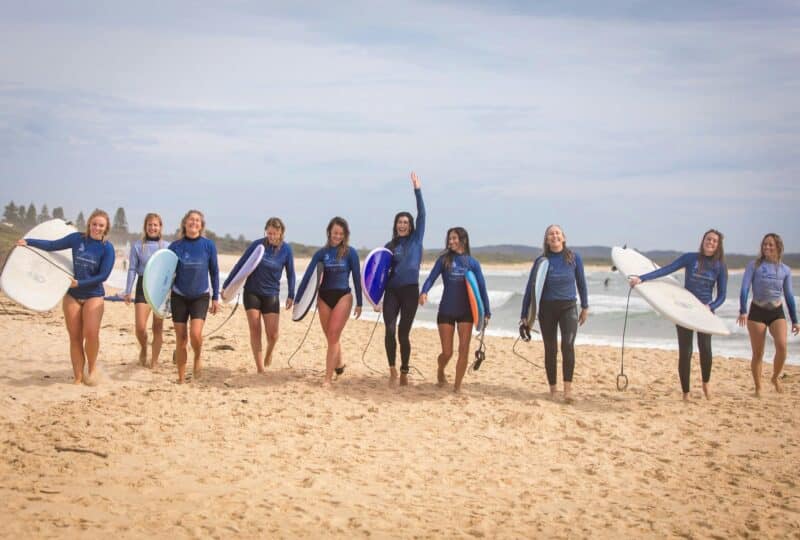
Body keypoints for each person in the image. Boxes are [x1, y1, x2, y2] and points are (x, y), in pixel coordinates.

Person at [17, 209, 115, 385]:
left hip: (93, 294)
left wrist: (80, 283)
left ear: (106, 228)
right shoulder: (77, 239)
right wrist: (28, 242)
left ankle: (91, 369)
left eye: (101, 225)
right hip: (72, 295)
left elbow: (103, 276)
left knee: (91, 333)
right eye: (94, 224)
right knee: (75, 336)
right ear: (89, 224)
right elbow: (52, 245)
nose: (97, 228)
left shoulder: (107, 248)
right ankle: (77, 377)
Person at [629, 229, 727, 401]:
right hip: (685, 309)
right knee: (685, 351)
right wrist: (642, 278)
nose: (710, 242)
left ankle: (706, 384)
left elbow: (722, 295)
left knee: (705, 348)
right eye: (708, 239)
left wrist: (710, 306)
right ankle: (686, 393)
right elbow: (667, 270)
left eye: (714, 241)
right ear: (703, 240)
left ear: (718, 245)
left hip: (704, 311)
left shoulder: (720, 266)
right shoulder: (690, 258)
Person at [520, 225, 588, 402]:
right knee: (550, 350)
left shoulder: (574, 258)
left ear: (563, 238)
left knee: (568, 345)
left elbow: (581, 283)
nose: (554, 235)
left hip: (568, 308)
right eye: (551, 234)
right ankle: (553, 390)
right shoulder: (541, 261)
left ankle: (567, 391)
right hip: (546, 309)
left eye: (557, 233)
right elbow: (530, 288)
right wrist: (524, 316)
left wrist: (585, 306)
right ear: (547, 239)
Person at [419, 227, 490, 393]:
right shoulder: (444, 260)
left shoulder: (472, 263)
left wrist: (486, 312)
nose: (451, 241)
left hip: (466, 312)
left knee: (464, 349)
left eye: (454, 238)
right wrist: (424, 292)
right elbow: (431, 278)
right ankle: (440, 369)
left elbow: (481, 288)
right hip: (446, 310)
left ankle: (457, 386)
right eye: (449, 239)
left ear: (463, 240)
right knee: (447, 352)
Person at [295, 217, 362, 387]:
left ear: (345, 235)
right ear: (329, 233)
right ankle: (339, 365)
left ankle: (327, 379)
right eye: (335, 233)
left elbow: (356, 277)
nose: (337, 236)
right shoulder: (321, 253)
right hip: (324, 297)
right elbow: (309, 276)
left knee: (333, 335)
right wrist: (298, 299)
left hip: (343, 297)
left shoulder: (350, 253)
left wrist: (360, 302)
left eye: (341, 233)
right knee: (331, 337)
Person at [223, 217, 296, 374]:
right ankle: (260, 368)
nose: (271, 236)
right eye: (269, 233)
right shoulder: (258, 245)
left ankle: (269, 352)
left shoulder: (286, 250)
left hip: (271, 294)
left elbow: (291, 273)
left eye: (275, 234)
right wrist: (226, 286)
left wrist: (291, 294)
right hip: (252, 293)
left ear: (281, 233)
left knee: (273, 334)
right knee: (255, 329)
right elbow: (241, 264)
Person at [737, 233, 799, 396]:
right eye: (764, 244)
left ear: (778, 247)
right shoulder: (754, 266)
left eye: (770, 245)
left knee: (782, 346)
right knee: (758, 353)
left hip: (776, 312)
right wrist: (743, 310)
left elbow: (789, 296)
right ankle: (758, 387)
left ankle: (775, 377)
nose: (766, 247)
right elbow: (744, 288)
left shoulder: (785, 270)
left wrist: (795, 320)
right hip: (757, 311)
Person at [382, 171, 426, 386]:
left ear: (410, 225)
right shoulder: (389, 247)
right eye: (399, 221)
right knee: (389, 329)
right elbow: (379, 275)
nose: (402, 224)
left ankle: (404, 370)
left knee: (403, 332)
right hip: (392, 292)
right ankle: (392, 369)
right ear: (395, 225)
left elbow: (423, 214)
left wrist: (417, 190)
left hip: (410, 291)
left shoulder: (416, 241)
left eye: (406, 221)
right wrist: (375, 298)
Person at [168, 210, 220, 384]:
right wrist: (160, 297)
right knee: (181, 338)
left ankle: (197, 356)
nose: (194, 223)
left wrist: (215, 298)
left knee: (196, 334)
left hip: (200, 295)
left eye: (197, 221)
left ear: (201, 225)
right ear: (185, 223)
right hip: (179, 295)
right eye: (191, 220)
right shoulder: (175, 247)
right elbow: (165, 274)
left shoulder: (208, 245)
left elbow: (214, 272)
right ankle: (181, 378)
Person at [124, 213, 169, 368]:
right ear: (145, 227)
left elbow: (172, 270)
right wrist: (127, 290)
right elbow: (131, 269)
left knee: (158, 327)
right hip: (143, 285)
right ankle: (143, 347)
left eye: (155, 225)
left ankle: (154, 361)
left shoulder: (167, 246)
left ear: (160, 227)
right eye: (150, 225)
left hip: (161, 288)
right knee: (140, 327)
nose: (152, 227)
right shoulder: (138, 246)